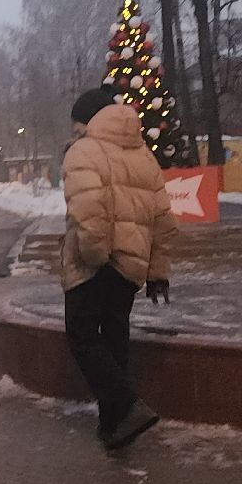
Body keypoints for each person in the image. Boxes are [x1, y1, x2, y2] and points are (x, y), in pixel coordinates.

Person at [61, 87, 178, 450]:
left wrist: (95, 257)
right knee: (114, 337)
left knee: (81, 336)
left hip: (96, 261)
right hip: (131, 266)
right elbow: (162, 219)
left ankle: (126, 405)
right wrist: (157, 271)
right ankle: (114, 426)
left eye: (77, 125)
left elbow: (88, 210)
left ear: (89, 121)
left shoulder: (84, 151)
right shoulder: (143, 153)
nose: (74, 131)